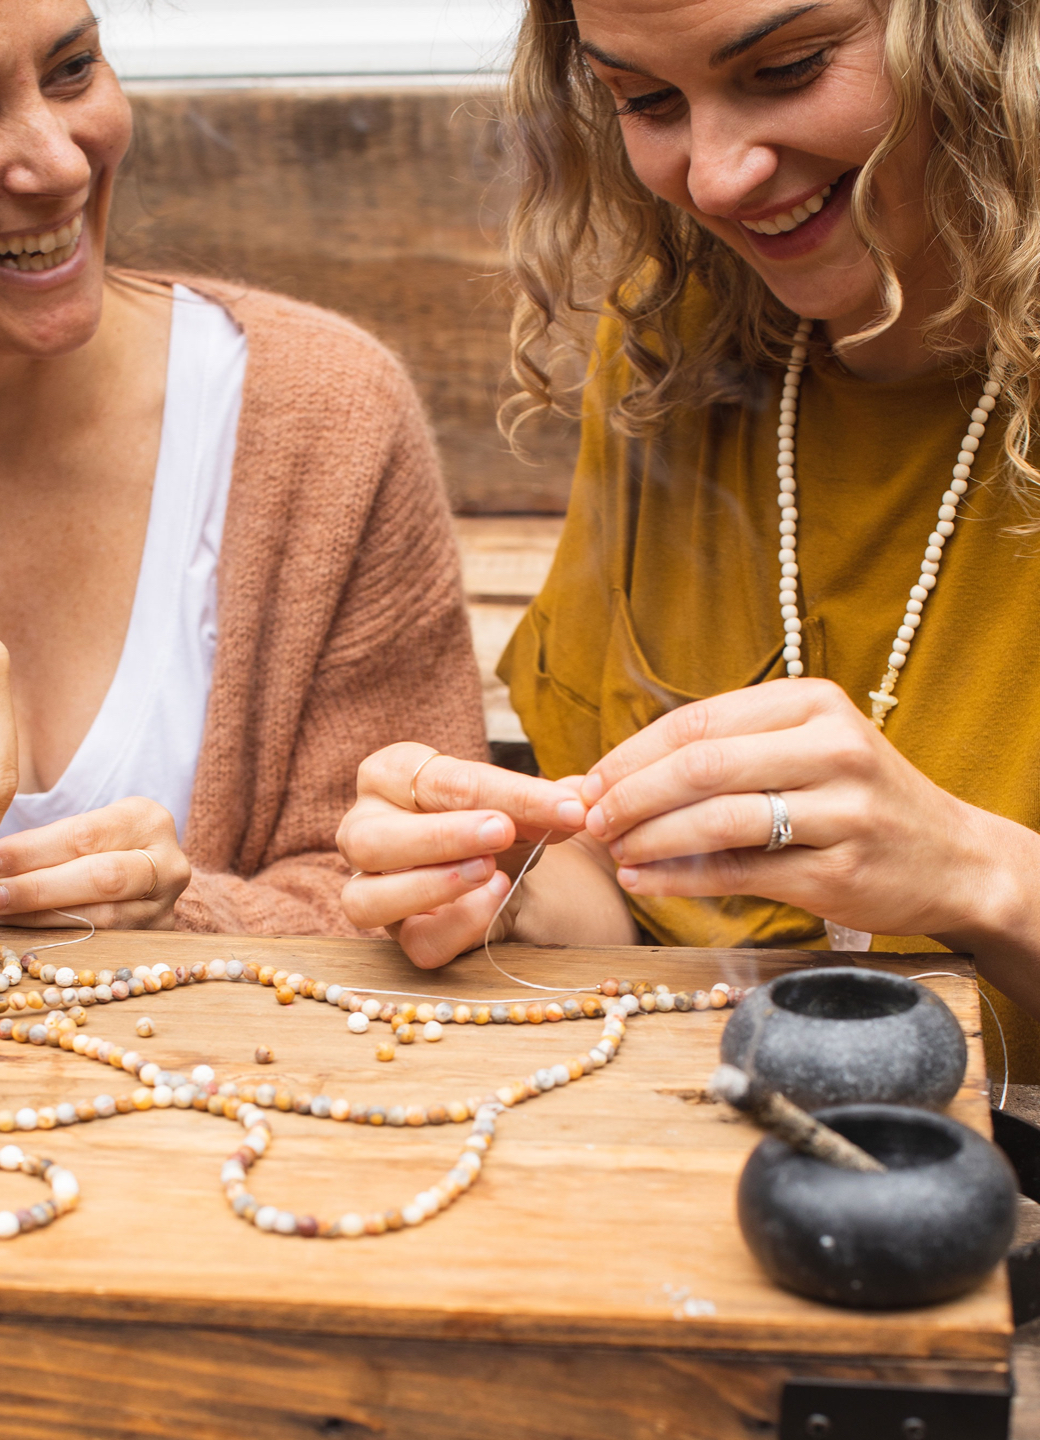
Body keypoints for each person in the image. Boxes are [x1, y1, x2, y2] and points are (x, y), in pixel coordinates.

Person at [338, 0, 1040, 1073]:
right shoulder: (672, 346)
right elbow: (631, 899)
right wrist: (499, 884)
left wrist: (985, 879)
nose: (713, 179)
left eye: (789, 68)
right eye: (648, 101)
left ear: (983, 33)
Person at [0, 0, 486, 933]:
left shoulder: (323, 416)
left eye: (73, 69)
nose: (63, 164)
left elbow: (423, 887)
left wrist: (185, 917)